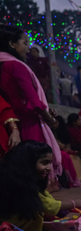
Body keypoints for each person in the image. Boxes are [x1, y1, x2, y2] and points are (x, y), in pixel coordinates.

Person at [0, 25, 62, 178]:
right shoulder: (15, 65)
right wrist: (50, 119)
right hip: (30, 123)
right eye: (25, 43)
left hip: (16, 122)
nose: (28, 49)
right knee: (36, 169)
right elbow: (32, 98)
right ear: (12, 44)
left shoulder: (3, 65)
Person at [0, 141, 81, 231]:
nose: (49, 168)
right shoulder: (16, 184)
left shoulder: (25, 179)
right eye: (44, 163)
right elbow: (49, 205)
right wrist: (76, 203)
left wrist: (66, 210)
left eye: (50, 163)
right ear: (28, 162)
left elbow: (46, 197)